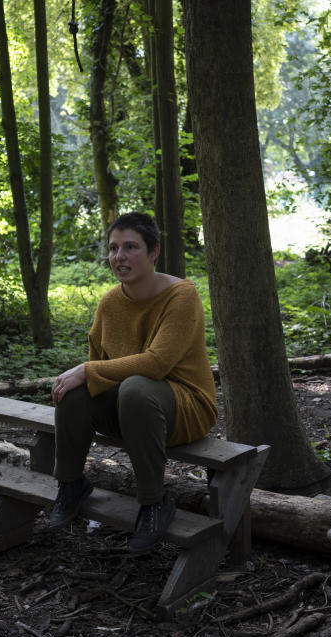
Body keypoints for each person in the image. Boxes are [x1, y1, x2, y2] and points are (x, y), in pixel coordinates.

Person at [48, 212, 218, 554]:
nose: (119, 257)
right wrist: (84, 374)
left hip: (186, 407)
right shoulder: (110, 302)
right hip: (131, 408)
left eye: (130, 247)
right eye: (113, 248)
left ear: (153, 251)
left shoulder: (181, 296)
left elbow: (157, 364)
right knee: (74, 390)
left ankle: (155, 502)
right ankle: (70, 484)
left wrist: (88, 370)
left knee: (133, 387)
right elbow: (99, 367)